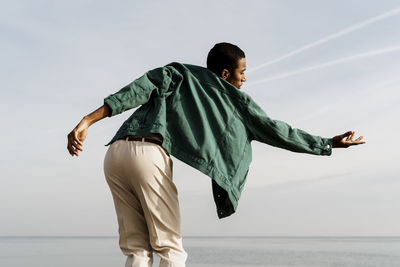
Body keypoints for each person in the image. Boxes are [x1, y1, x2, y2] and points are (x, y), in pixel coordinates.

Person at [67, 42, 365, 267]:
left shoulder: (179, 72)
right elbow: (278, 131)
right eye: (242, 72)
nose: (244, 79)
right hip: (149, 155)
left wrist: (87, 121)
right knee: (170, 248)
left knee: (136, 249)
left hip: (115, 153)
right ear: (225, 74)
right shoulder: (236, 102)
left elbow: (138, 89)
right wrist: (327, 144)